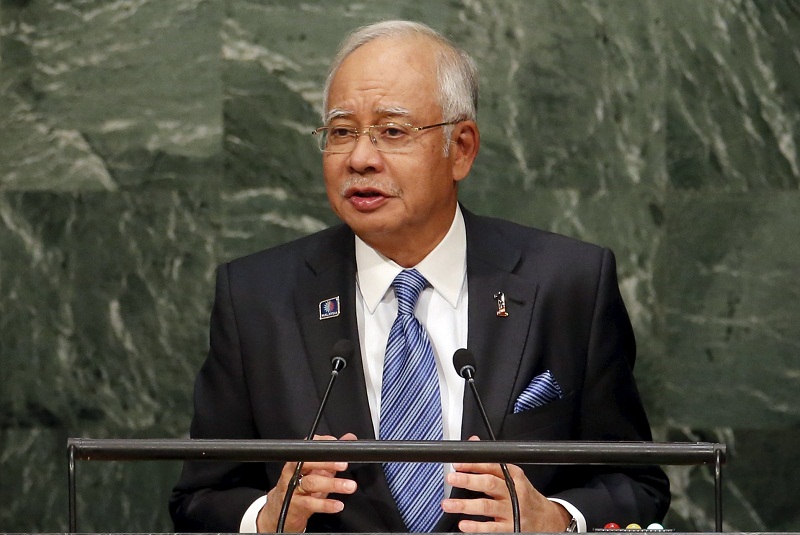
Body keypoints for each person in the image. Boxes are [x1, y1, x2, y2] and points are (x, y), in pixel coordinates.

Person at [170, 20, 670, 533]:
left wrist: (556, 518)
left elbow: (637, 484)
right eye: (341, 132)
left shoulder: (569, 283)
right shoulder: (256, 297)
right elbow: (199, 500)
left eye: (392, 131)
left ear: (462, 148)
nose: (360, 159)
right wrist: (267, 515)